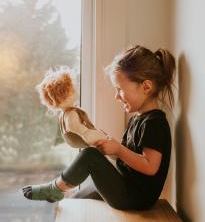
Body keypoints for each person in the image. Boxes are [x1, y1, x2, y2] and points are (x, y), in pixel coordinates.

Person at [22, 45, 176, 210]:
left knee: (90, 156)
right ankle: (61, 198)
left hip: (135, 198)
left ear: (146, 87)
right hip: (126, 186)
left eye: (120, 89)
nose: (116, 96)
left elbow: (150, 167)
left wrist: (118, 149)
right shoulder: (138, 119)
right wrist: (107, 145)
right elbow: (128, 160)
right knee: (79, 196)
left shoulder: (154, 123)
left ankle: (54, 189)